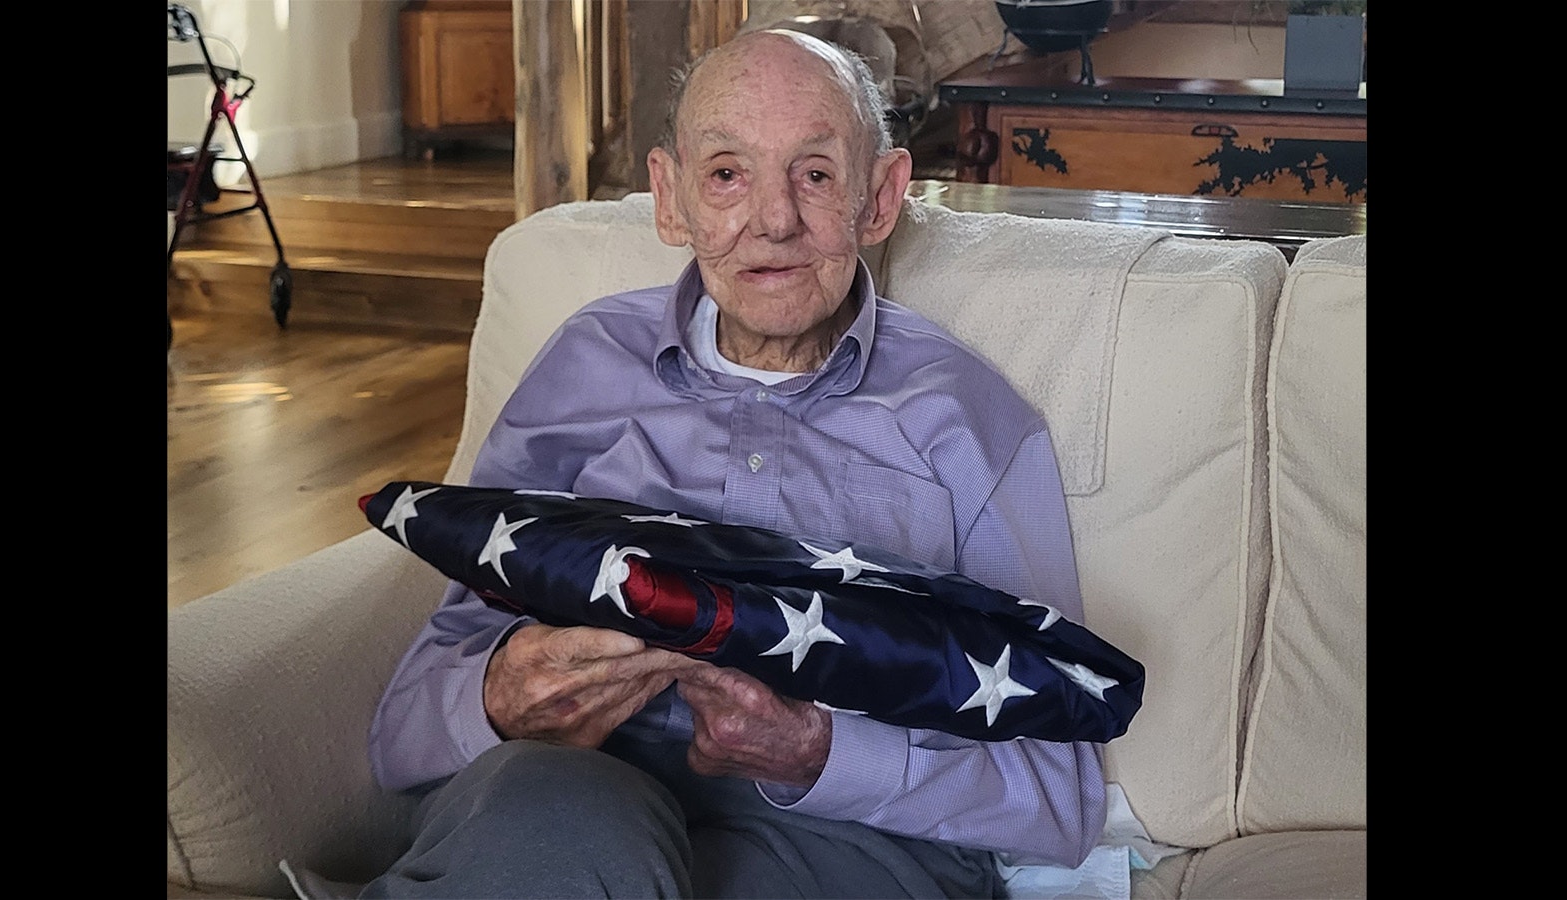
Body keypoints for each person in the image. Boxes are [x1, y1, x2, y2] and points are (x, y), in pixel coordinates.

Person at [358, 28, 1104, 899]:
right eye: (726, 174)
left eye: (815, 174)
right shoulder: (582, 365)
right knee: (559, 818)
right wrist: (496, 697)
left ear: (879, 198)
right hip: (566, 803)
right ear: (670, 198)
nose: (775, 219)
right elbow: (408, 722)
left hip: (844, 841)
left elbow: (1059, 790)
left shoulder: (970, 420)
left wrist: (821, 752)